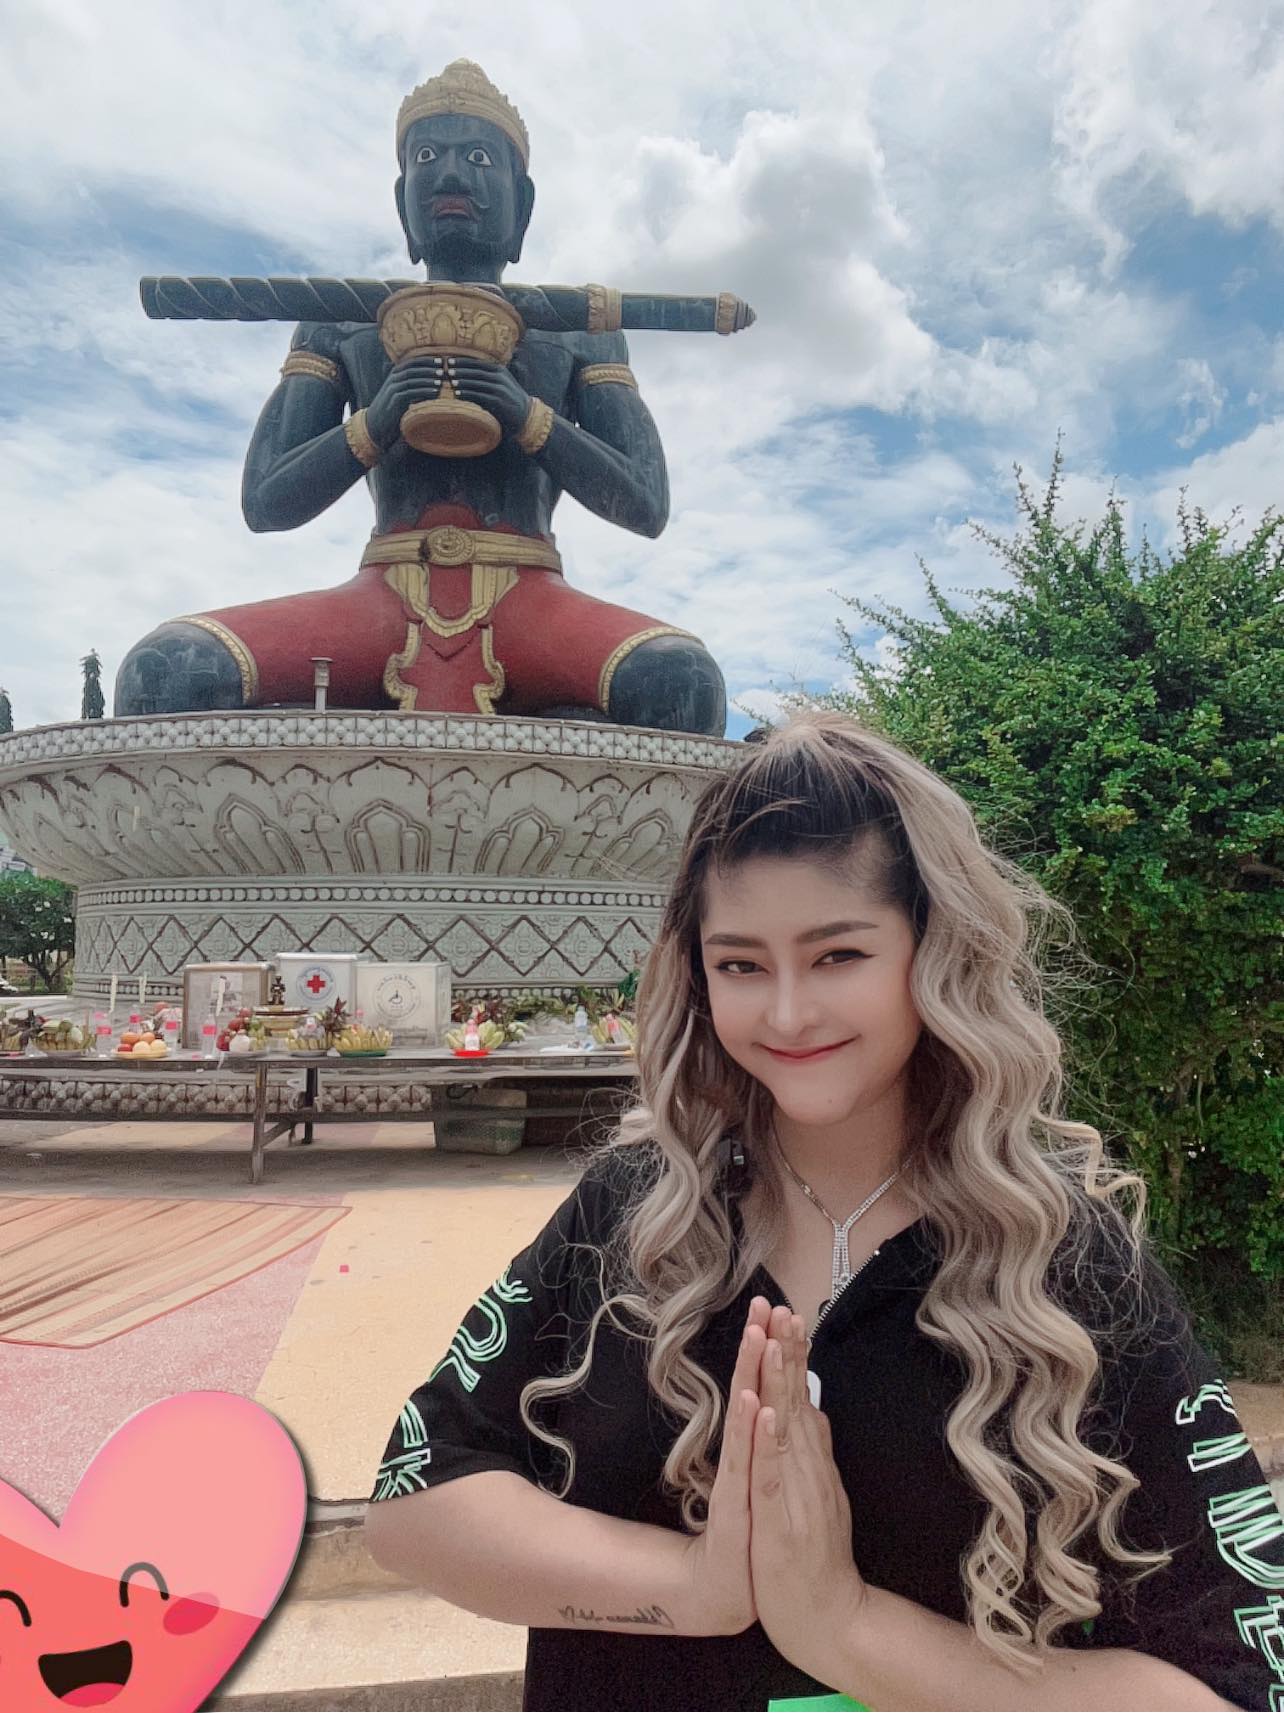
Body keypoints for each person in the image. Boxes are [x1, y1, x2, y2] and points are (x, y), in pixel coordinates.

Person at [365, 712, 1279, 1711]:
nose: (789, 1012)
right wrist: (701, 1586)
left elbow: (1233, 1687)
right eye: (741, 965)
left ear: (934, 951)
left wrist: (843, 1624)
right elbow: (414, 1501)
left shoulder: (1064, 1259)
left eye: (838, 955)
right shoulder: (634, 1213)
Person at [113, 60, 726, 736]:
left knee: (680, 679)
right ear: (402, 198)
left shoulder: (579, 329)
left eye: (479, 158)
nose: (452, 177)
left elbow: (645, 503)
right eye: (428, 157)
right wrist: (376, 422)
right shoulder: (341, 323)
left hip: (532, 604)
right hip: (378, 599)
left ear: (522, 204)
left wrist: (526, 415)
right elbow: (266, 501)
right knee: (166, 671)